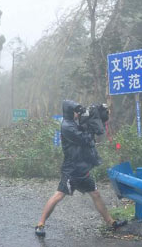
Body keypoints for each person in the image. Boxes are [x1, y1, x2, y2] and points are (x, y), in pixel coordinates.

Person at [34, 100, 127, 237]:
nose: (78, 114)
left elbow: (87, 129)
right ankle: (40, 224)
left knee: (96, 194)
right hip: (71, 169)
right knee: (59, 195)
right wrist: (92, 128)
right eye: (76, 111)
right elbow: (84, 139)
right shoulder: (67, 126)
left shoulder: (74, 123)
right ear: (70, 112)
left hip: (83, 168)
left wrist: (96, 115)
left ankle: (111, 222)